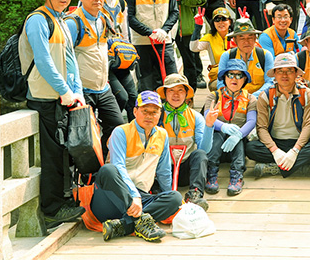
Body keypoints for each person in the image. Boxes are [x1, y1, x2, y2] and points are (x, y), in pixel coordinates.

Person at [18, 0, 86, 228]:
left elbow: (70, 60)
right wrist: (63, 90)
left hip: (63, 98)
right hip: (44, 96)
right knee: (50, 154)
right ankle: (51, 208)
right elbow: (44, 60)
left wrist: (76, 91)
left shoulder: (62, 21)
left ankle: (63, 201)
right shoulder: (38, 19)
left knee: (62, 152)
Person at [93, 91, 182, 242]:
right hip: (111, 198)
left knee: (175, 198)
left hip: (140, 200)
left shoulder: (162, 135)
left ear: (160, 114)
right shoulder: (121, 132)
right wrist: (134, 196)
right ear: (135, 111)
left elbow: (164, 171)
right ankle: (139, 221)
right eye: (144, 111)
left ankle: (123, 225)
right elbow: (118, 166)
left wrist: (174, 205)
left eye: (154, 112)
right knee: (108, 170)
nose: (149, 116)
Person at [67, 0, 125, 157]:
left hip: (103, 87)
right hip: (82, 89)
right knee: (84, 138)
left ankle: (101, 162)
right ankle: (85, 176)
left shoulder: (104, 19)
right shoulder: (73, 22)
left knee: (117, 126)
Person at [246, 53, 310, 178]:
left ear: (296, 74)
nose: (284, 75)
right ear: (275, 75)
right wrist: (275, 151)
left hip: (300, 142)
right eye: (280, 71)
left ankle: (274, 168)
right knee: (250, 148)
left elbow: (308, 125)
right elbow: (261, 128)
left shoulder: (307, 94)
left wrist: (295, 150)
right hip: (275, 141)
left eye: (289, 71)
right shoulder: (265, 96)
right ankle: (296, 166)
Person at [156, 73, 214, 210]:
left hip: (186, 169)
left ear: (186, 93)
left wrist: (209, 126)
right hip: (163, 169)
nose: (176, 95)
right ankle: (158, 193)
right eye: (171, 90)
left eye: (180, 90)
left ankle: (195, 195)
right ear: (165, 93)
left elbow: (204, 149)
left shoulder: (195, 117)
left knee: (199, 154)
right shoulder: (156, 115)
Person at [124, 0, 179, 92]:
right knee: (145, 84)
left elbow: (174, 12)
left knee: (171, 81)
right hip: (142, 43)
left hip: (164, 41)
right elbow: (129, 17)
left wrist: (163, 30)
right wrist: (149, 32)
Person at [203, 59, 257, 196]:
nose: (234, 79)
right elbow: (207, 116)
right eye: (230, 75)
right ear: (224, 77)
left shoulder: (250, 99)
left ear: (244, 79)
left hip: (237, 143)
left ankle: (237, 175)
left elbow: (251, 121)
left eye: (239, 75)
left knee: (237, 138)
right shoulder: (214, 96)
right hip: (217, 144)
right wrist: (223, 126)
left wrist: (238, 134)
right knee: (216, 135)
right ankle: (211, 172)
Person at [99, 0, 137, 121]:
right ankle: (109, 128)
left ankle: (135, 139)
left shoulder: (121, 2)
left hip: (120, 59)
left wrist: (131, 52)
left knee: (133, 98)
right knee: (121, 97)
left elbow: (126, 33)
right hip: (102, 61)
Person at [217, 18, 274, 98]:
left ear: (255, 38)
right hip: (233, 98)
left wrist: (252, 97)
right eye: (242, 38)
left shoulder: (265, 55)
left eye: (250, 37)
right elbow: (220, 83)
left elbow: (270, 82)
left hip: (259, 99)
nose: (246, 42)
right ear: (235, 40)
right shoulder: (227, 56)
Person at [190, 6, 233, 91]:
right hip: (218, 76)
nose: (220, 23)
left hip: (237, 74)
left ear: (230, 22)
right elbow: (193, 47)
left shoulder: (236, 36)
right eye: (217, 20)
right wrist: (197, 27)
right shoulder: (210, 38)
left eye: (224, 19)